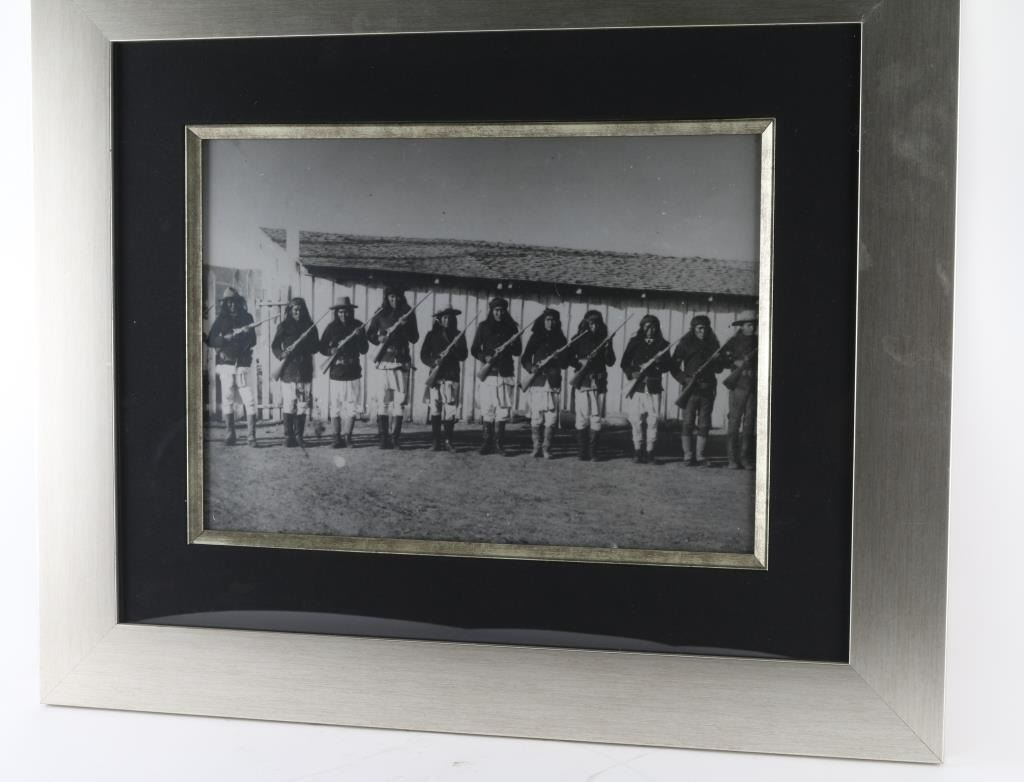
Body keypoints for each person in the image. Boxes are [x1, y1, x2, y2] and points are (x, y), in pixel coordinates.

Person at [367, 287, 419, 449]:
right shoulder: (380, 312)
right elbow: (370, 334)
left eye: (397, 296)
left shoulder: (408, 313)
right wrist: (380, 338)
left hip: (401, 362)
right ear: (387, 297)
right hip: (384, 361)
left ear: (401, 297)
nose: (394, 300)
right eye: (391, 296)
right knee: (383, 400)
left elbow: (415, 338)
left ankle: (395, 438)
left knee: (399, 402)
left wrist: (405, 325)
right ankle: (384, 439)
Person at [206, 287, 258, 446]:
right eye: (229, 302)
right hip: (226, 364)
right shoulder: (221, 319)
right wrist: (225, 340)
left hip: (242, 363)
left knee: (249, 399)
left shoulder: (247, 317)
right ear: (225, 304)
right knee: (227, 398)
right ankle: (230, 434)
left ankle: (251, 436)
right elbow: (210, 340)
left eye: (234, 302)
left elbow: (253, 341)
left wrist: (247, 332)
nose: (232, 305)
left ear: (239, 302)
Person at [470, 297, 521, 455]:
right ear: (492, 311)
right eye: (496, 310)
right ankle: (487, 443)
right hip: (489, 374)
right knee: (488, 408)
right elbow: (474, 349)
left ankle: (499, 444)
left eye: (502, 310)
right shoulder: (483, 326)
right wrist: (485, 357)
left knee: (502, 410)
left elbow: (518, 351)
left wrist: (512, 344)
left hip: (505, 373)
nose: (499, 313)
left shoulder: (512, 327)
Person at [620, 314, 672, 464]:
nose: (650, 330)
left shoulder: (663, 345)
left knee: (653, 420)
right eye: (647, 327)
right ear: (642, 327)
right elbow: (624, 363)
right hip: (637, 387)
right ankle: (637, 451)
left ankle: (650, 452)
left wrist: (659, 363)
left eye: (653, 327)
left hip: (654, 387)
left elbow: (667, 366)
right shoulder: (634, 342)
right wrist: (632, 373)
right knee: (635, 419)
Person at [318, 296, 368, 448]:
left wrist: (360, 336)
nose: (343, 315)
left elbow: (364, 349)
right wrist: (330, 350)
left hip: (353, 371)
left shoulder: (358, 326)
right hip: (337, 372)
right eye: (340, 312)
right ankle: (336, 438)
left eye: (346, 312)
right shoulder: (331, 327)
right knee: (336, 406)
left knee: (352, 406)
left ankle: (348, 437)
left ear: (350, 312)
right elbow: (321, 347)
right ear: (336, 312)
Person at [671, 314, 721, 466]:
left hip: (708, 389)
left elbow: (719, 369)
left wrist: (718, 359)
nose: (702, 331)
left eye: (705, 328)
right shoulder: (685, 344)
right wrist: (684, 379)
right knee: (687, 422)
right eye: (699, 328)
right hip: (690, 389)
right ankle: (688, 455)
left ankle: (700, 456)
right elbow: (673, 367)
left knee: (704, 423)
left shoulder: (713, 344)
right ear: (693, 329)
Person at [271, 297, 319, 448]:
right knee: (289, 402)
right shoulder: (284, 326)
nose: (298, 312)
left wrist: (305, 343)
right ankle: (289, 436)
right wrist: (282, 354)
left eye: (301, 309)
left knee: (302, 403)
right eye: (295, 309)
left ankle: (299, 436)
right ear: (290, 311)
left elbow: (316, 347)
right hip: (289, 370)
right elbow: (275, 346)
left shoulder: (310, 326)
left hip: (305, 369)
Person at [568, 310, 616, 461]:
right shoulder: (578, 338)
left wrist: (608, 346)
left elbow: (610, 362)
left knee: (596, 417)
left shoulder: (604, 339)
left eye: (597, 323)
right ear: (586, 324)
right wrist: (581, 363)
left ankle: (593, 452)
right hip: (582, 381)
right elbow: (567, 357)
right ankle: (582, 452)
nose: (594, 326)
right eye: (591, 323)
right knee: (582, 417)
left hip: (598, 383)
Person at [521, 308, 568, 459]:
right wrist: (531, 368)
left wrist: (558, 358)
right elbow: (525, 358)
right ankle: (536, 447)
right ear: (543, 321)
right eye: (548, 319)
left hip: (553, 381)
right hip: (538, 381)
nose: (550, 323)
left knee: (551, 418)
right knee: (536, 416)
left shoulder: (561, 339)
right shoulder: (535, 337)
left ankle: (547, 448)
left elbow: (565, 363)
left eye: (553, 320)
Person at [420, 307, 469, 452]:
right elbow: (423, 355)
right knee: (435, 408)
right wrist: (434, 362)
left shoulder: (459, 335)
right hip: (436, 376)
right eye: (445, 317)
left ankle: (448, 441)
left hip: (451, 375)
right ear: (440, 320)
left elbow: (464, 355)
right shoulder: (431, 335)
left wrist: (452, 350)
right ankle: (436, 442)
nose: (448, 320)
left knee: (450, 409)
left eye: (450, 317)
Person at [718, 310, 758, 470]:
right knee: (734, 421)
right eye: (749, 324)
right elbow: (721, 359)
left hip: (753, 385)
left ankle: (745, 458)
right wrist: (735, 362)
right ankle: (732, 459)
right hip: (738, 385)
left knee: (749, 423)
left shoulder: (760, 341)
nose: (752, 327)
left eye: (754, 324)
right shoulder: (733, 341)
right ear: (741, 326)